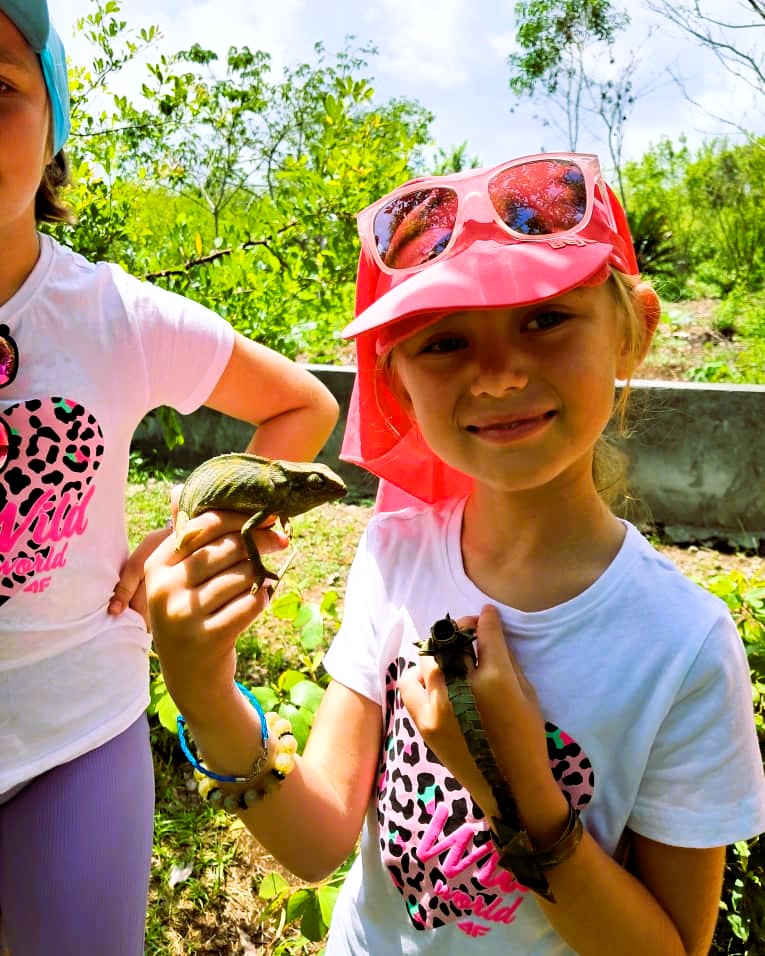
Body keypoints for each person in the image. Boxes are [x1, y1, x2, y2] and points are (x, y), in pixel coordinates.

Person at [146, 152, 765, 955]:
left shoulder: (684, 646)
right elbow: (315, 842)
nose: (499, 377)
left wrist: (512, 788)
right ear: (395, 384)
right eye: (442, 342)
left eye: (545, 319)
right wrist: (201, 685)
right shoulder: (393, 551)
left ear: (633, 333)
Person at [0, 2, 339, 954]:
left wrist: (188, 534)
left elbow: (302, 405)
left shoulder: (114, 314)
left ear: (55, 125)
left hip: (74, 736)